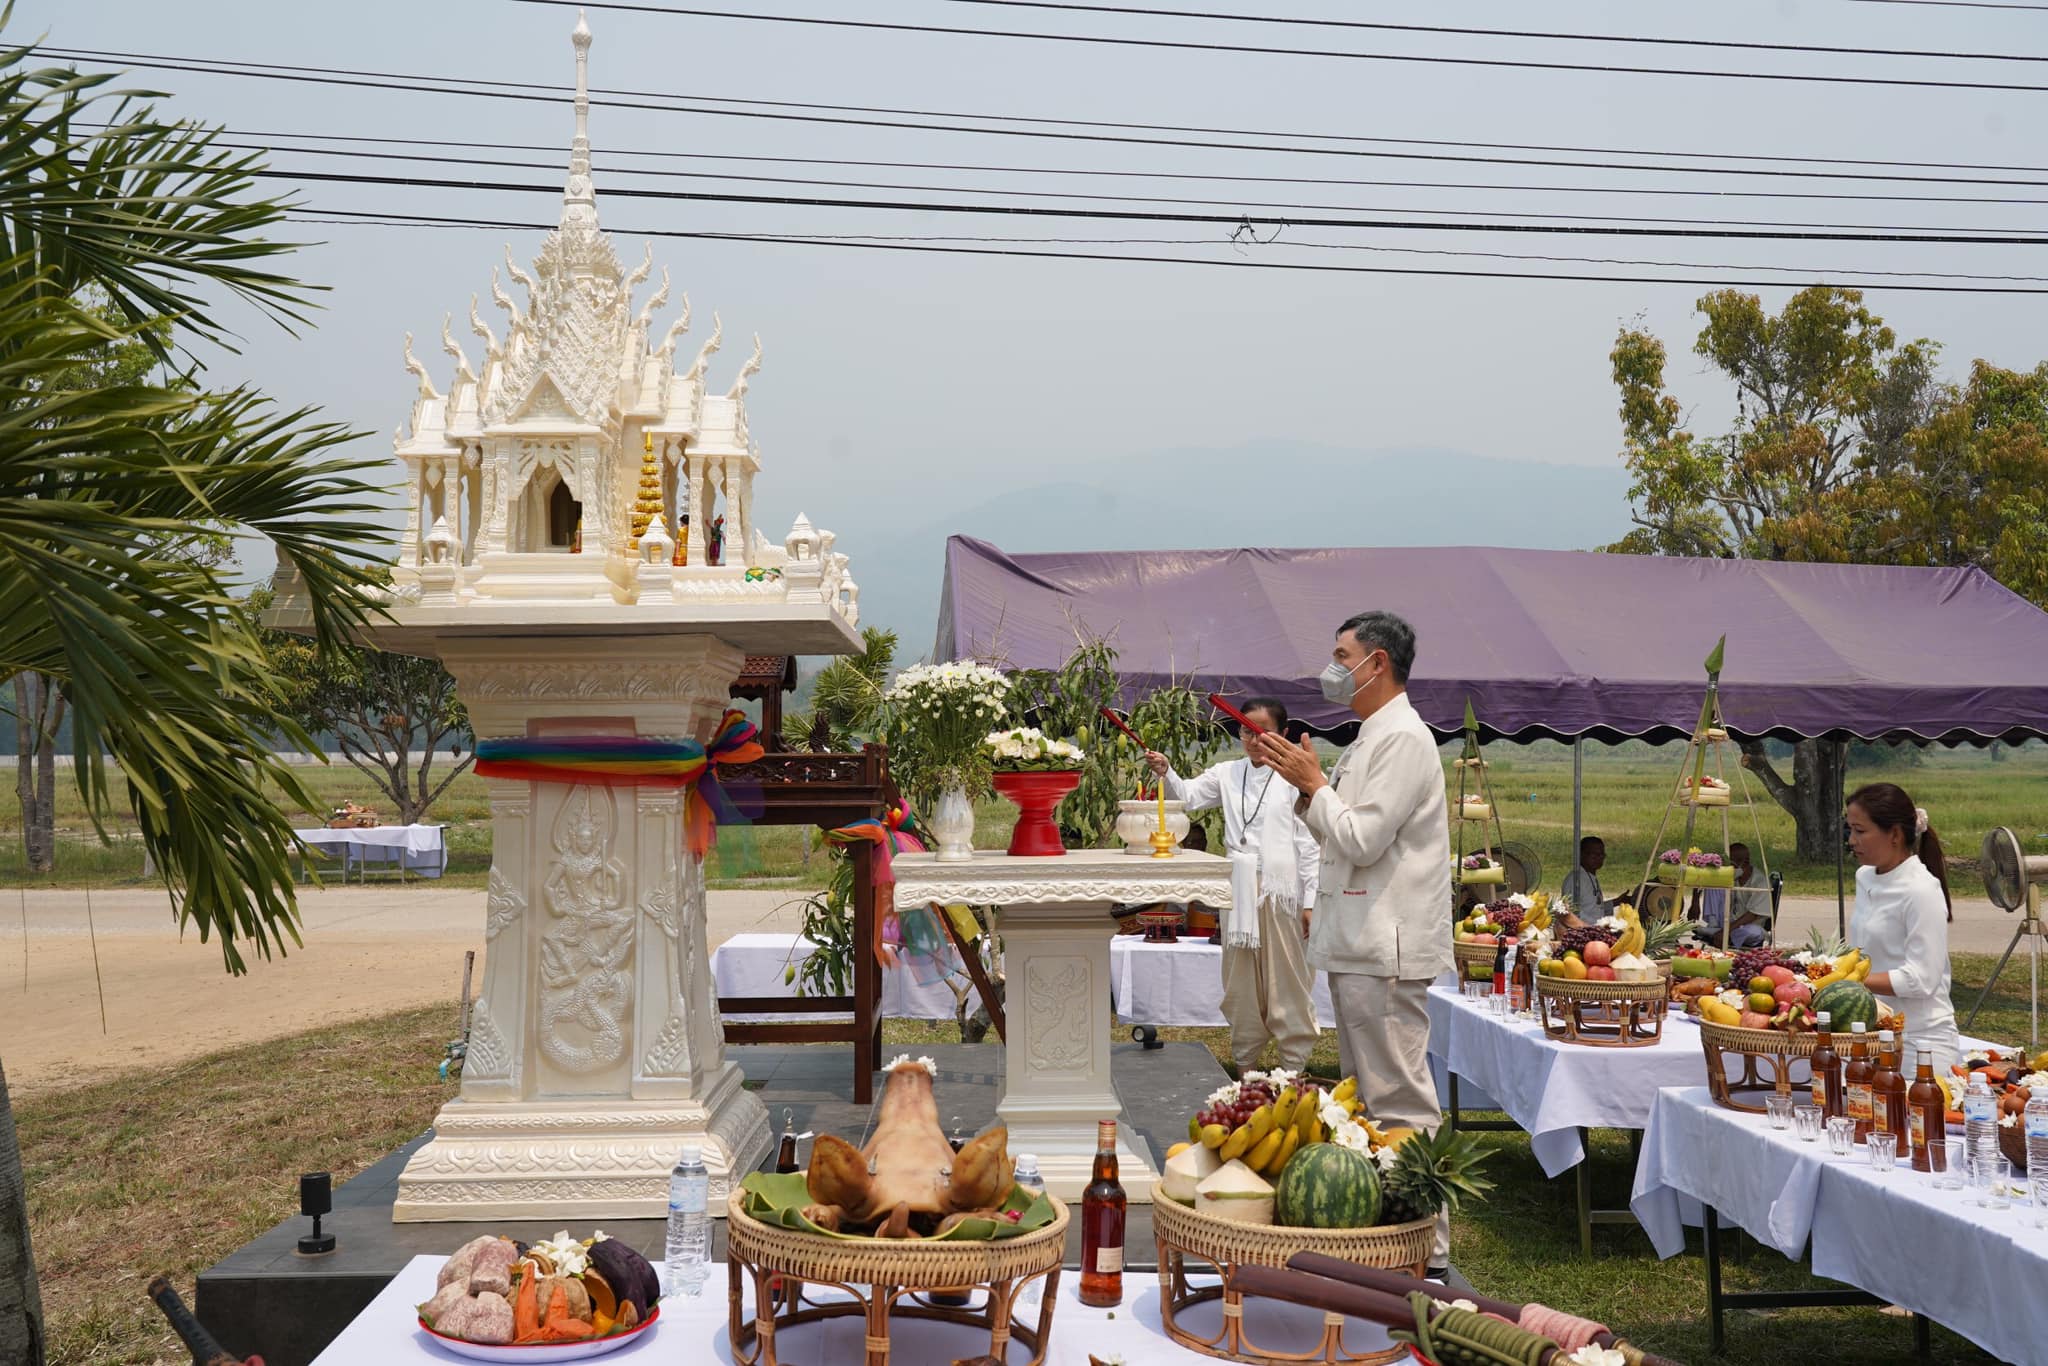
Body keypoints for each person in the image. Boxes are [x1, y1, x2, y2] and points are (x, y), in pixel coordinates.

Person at [1253, 610, 1453, 1274]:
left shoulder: (1403, 739)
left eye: (1342, 654)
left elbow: (1365, 840)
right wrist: (1308, 791)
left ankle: (1429, 1246)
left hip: (1386, 943)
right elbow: (1341, 836)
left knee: (1398, 1096)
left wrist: (1313, 786)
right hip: (1362, 940)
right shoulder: (1371, 736)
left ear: (1378, 665)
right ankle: (1392, 1233)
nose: (1332, 666)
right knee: (1371, 1096)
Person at [1144, 698, 1321, 1073]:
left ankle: (1293, 1068)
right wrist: (1166, 771)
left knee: (1288, 979)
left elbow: (1308, 843)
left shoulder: (1295, 777)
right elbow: (1189, 797)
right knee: (1240, 981)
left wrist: (1309, 901)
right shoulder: (1228, 772)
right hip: (1238, 890)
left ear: (1282, 733)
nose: (1253, 740)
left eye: (1262, 732)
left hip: (1281, 891)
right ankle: (1246, 1065)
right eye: (1246, 731)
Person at [1846, 782, 1959, 1076]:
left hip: (1919, 1043)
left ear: (1894, 834)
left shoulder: (1921, 890)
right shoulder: (1864, 878)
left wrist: (1850, 980)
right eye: (1850, 830)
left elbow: (1922, 979)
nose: (1851, 840)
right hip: (1870, 1036)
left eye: (1860, 830)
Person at [1694, 842, 1771, 948]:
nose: (1727, 867)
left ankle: (1721, 934)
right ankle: (1713, 926)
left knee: (1751, 932)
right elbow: (1704, 880)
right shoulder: (1731, 876)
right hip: (1727, 921)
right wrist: (1695, 903)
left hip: (1749, 926)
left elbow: (1752, 915)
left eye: (1730, 865)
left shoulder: (1760, 882)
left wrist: (1726, 931)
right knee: (1714, 883)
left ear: (1744, 863)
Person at [1560, 835, 1613, 922]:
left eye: (1601, 854)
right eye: (1594, 854)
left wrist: (1616, 902)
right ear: (1581, 854)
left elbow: (1593, 907)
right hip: (1582, 932)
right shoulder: (1575, 880)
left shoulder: (1590, 876)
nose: (1599, 858)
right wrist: (1596, 926)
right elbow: (1571, 911)